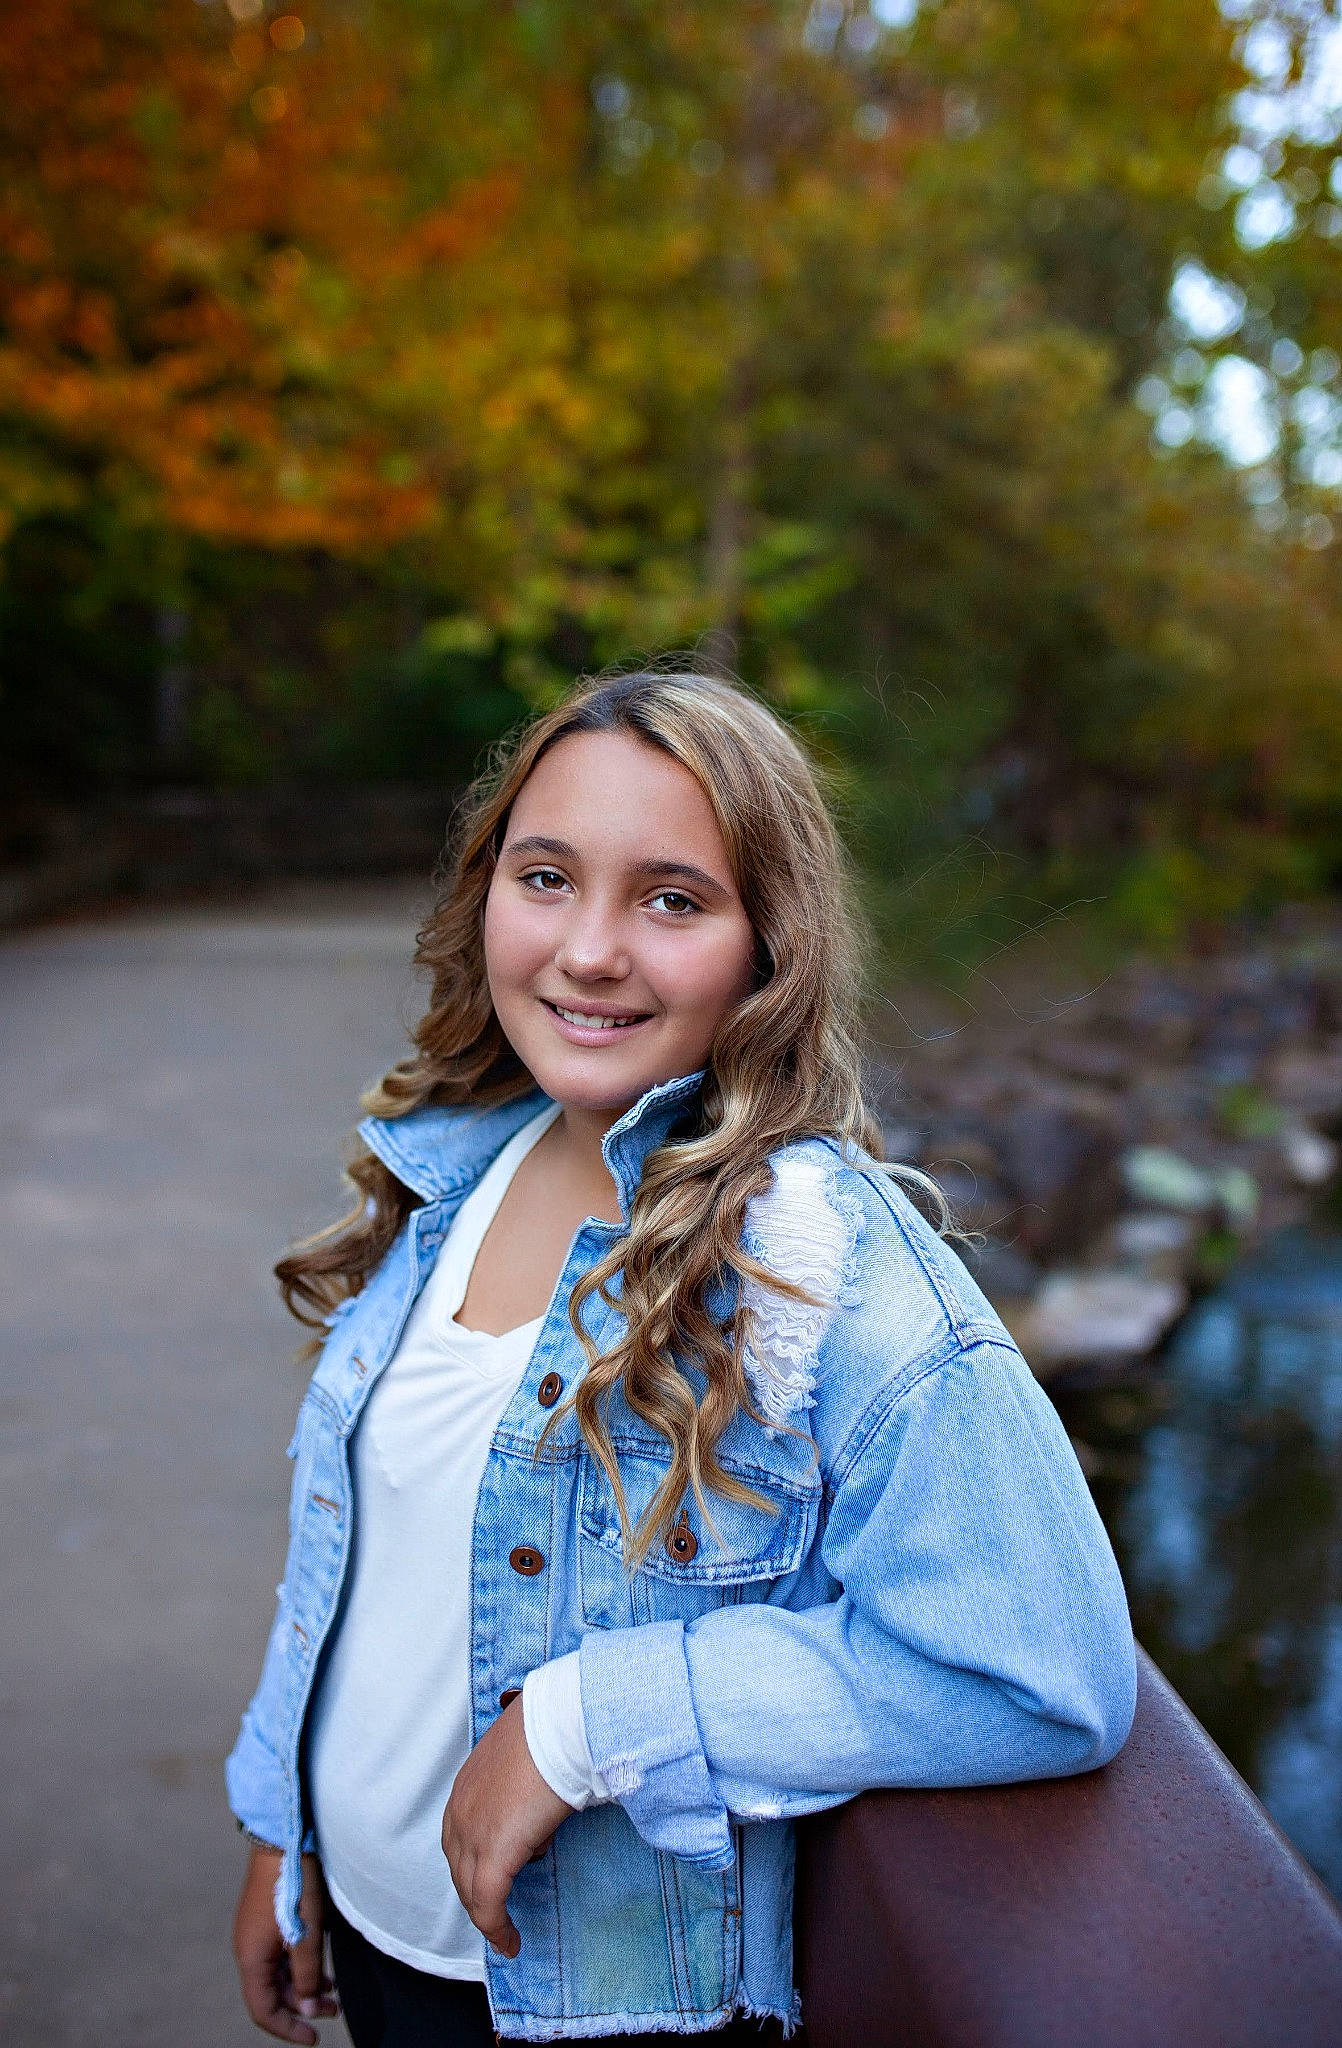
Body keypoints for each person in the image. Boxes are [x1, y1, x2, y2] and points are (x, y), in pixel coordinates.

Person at [227, 665, 1137, 2046]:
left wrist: (589, 1721)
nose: (590, 951)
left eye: (671, 900)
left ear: (771, 946)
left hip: (578, 2002)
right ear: (485, 893)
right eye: (546, 878)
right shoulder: (452, 1170)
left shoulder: (815, 1265)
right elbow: (359, 1570)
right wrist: (276, 1829)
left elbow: (1037, 1669)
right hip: (369, 1937)